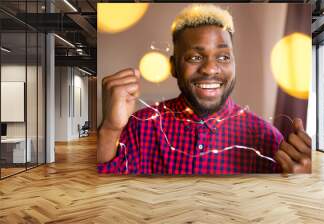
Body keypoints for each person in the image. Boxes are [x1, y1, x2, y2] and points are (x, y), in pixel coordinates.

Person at [97, 4, 311, 174]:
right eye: (195, 57)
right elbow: (103, 196)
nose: (209, 69)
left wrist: (302, 185)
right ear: (173, 67)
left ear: (234, 64)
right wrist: (109, 129)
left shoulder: (269, 140)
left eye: (223, 57)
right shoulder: (139, 129)